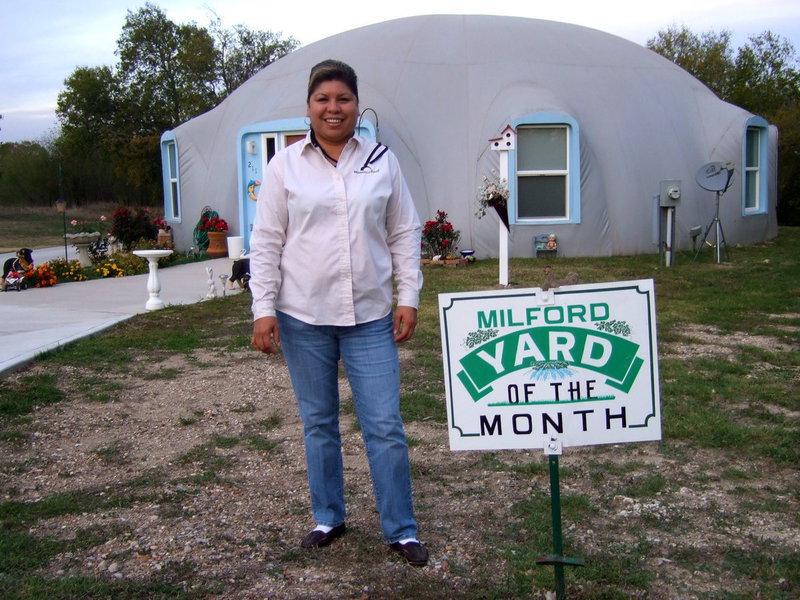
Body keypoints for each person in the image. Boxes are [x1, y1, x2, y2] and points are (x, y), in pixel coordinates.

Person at [249, 59, 428, 567]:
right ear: (308, 107)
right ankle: (328, 517)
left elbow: (403, 231)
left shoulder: (381, 161)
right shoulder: (285, 165)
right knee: (319, 423)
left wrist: (408, 296)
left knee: (385, 425)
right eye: (323, 99)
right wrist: (263, 308)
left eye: (343, 99)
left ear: (357, 105)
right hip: (302, 317)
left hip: (370, 317)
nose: (334, 108)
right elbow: (266, 241)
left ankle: (400, 529)